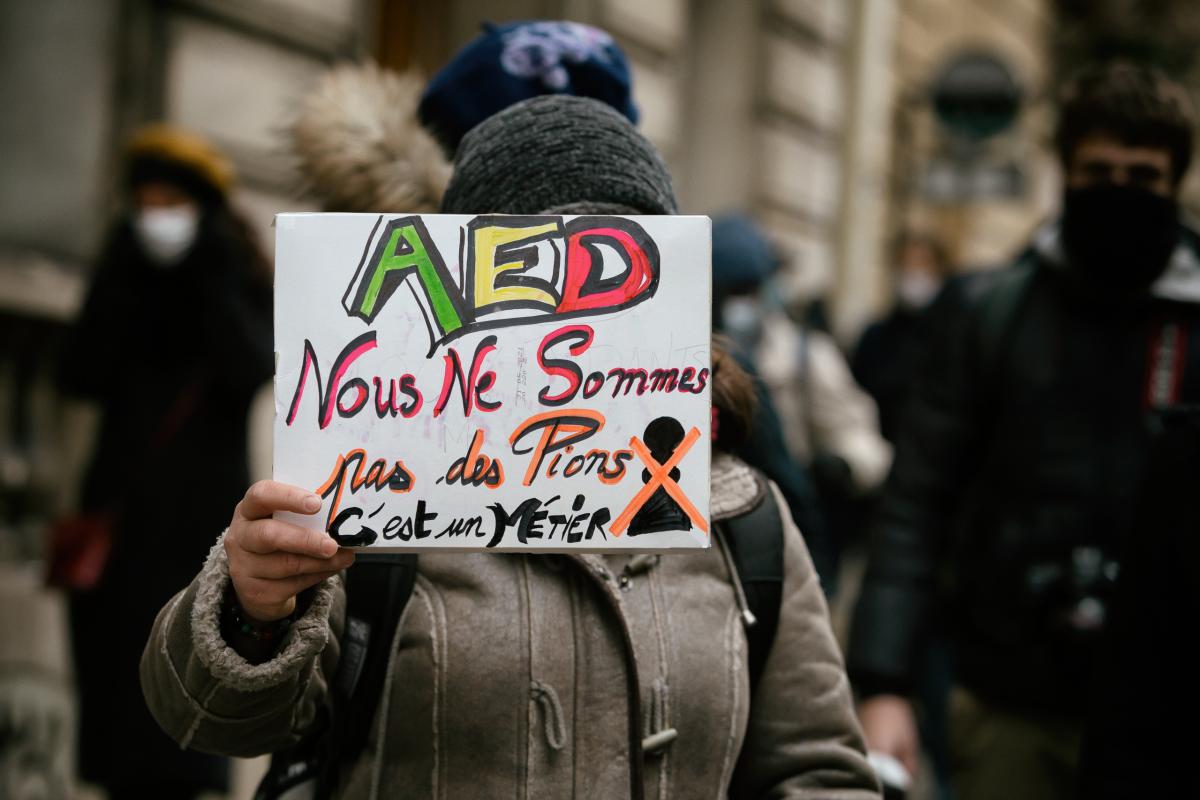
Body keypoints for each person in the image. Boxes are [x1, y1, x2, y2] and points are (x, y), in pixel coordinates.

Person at [140, 95, 881, 799]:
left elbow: (820, 771)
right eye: (540, 280)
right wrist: (252, 609)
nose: (582, 320)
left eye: (617, 280)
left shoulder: (745, 521)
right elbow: (205, 717)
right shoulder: (373, 498)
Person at [847, 61, 1200, 800]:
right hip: (1009, 694)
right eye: (1099, 171)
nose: (1120, 194)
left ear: (1176, 185)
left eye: (1144, 178)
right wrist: (882, 682)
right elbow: (915, 504)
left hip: (1174, 704)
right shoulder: (990, 314)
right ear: (1065, 174)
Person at [57, 124, 272, 797]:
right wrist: (122, 277)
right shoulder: (127, 274)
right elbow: (80, 374)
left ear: (202, 209)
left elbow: (249, 369)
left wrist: (211, 280)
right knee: (117, 703)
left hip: (198, 527)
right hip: (121, 522)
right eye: (145, 202)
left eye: (170, 203)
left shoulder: (237, 276)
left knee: (187, 692)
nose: (157, 218)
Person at [852, 232, 951, 443]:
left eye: (922, 265)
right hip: (875, 448)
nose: (912, 273)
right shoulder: (875, 336)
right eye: (905, 264)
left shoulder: (949, 339)